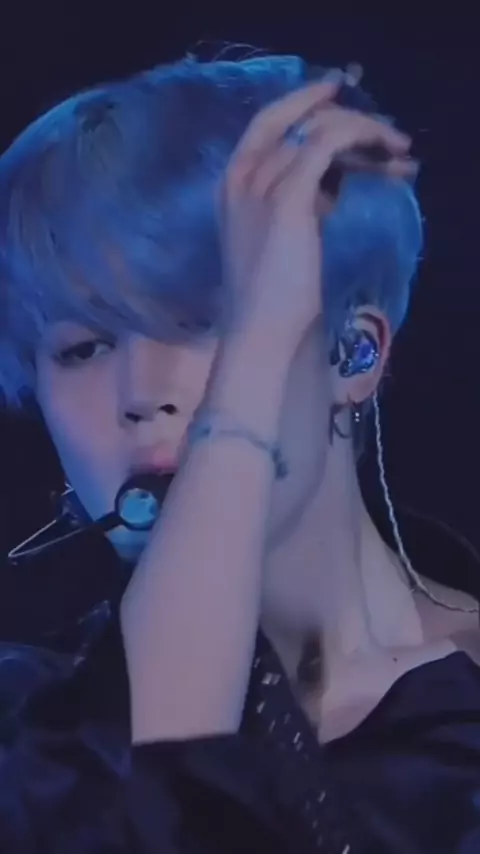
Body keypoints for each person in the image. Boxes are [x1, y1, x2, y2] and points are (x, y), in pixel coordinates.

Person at [0, 52, 479, 854]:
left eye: (204, 319)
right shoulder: (26, 733)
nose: (140, 394)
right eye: (83, 349)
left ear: (354, 353)